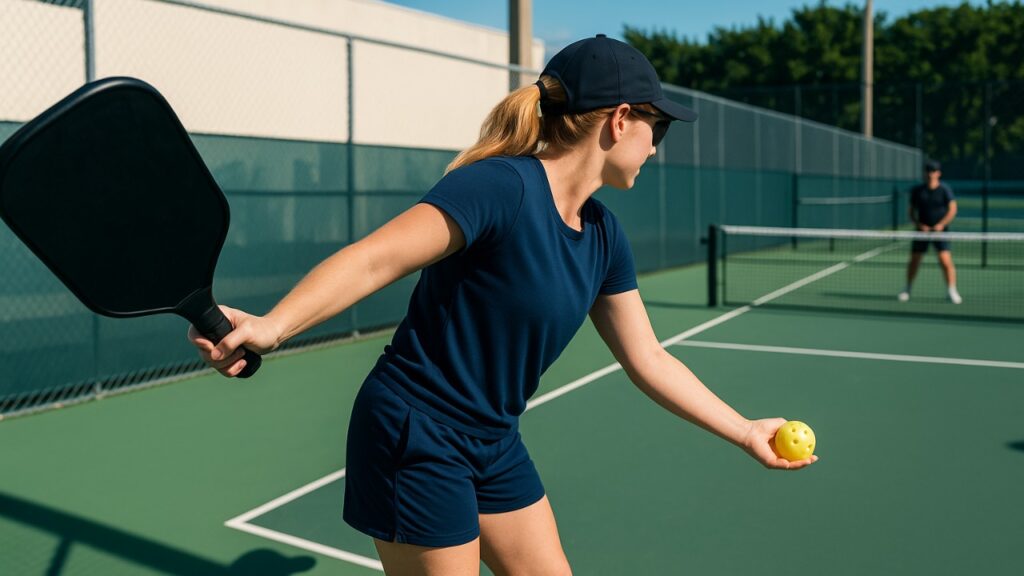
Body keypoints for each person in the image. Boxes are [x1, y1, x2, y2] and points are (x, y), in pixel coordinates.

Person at [188, 34, 817, 575]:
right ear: (619, 119)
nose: (657, 146)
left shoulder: (603, 236)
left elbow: (648, 357)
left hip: (492, 439)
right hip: (417, 430)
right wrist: (274, 326)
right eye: (659, 126)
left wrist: (743, 430)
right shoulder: (501, 187)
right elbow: (376, 258)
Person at [898, 159, 961, 304]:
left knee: (945, 261)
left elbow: (952, 209)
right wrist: (920, 225)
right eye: (928, 171)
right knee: (914, 261)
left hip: (940, 232)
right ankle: (907, 288)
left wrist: (941, 225)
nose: (930, 174)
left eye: (933, 171)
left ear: (938, 173)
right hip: (922, 232)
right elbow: (911, 211)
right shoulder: (917, 191)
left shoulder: (945, 190)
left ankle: (952, 290)